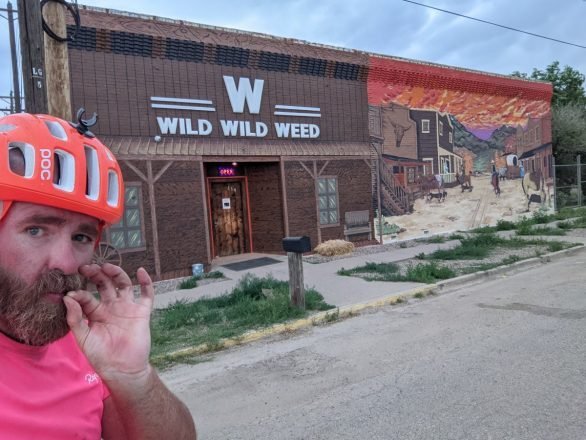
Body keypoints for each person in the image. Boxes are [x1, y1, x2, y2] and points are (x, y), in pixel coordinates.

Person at [0, 112, 196, 439]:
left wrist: (132, 376)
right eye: (36, 230)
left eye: (81, 237)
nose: (66, 263)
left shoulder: (84, 342)